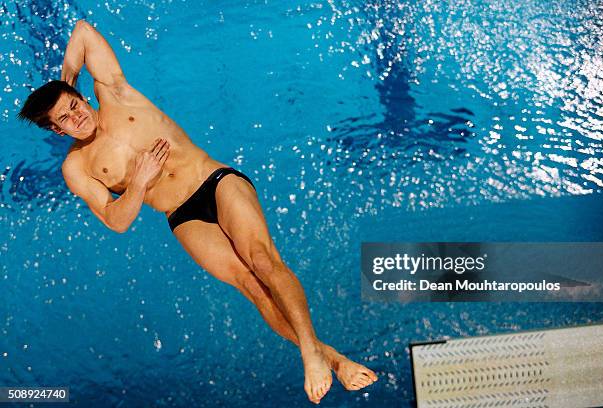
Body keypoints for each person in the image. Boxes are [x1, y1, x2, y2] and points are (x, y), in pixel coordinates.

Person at [18, 20, 377, 404]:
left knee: (262, 260)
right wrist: (138, 183)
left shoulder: (116, 94)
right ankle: (335, 360)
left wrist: (63, 84)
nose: (77, 117)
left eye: (75, 105)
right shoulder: (76, 168)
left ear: (81, 96)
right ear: (57, 131)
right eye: (65, 119)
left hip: (213, 179)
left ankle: (311, 353)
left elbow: (83, 32)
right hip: (181, 214)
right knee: (251, 287)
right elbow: (115, 221)